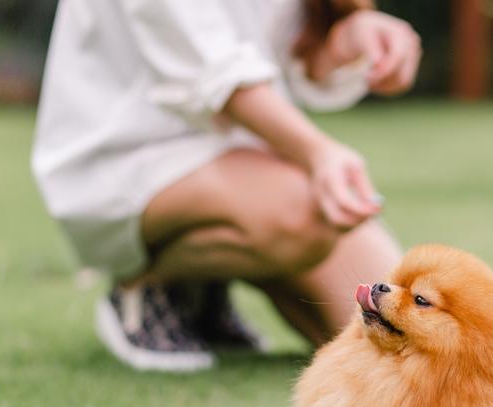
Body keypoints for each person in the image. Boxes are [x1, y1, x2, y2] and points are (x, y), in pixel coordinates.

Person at [31, 0, 421, 371]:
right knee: (307, 216)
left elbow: (284, 53)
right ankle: (149, 285)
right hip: (130, 156)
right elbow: (213, 72)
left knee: (404, 342)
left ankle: (210, 286)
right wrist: (316, 151)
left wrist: (344, 40)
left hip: (251, 161)